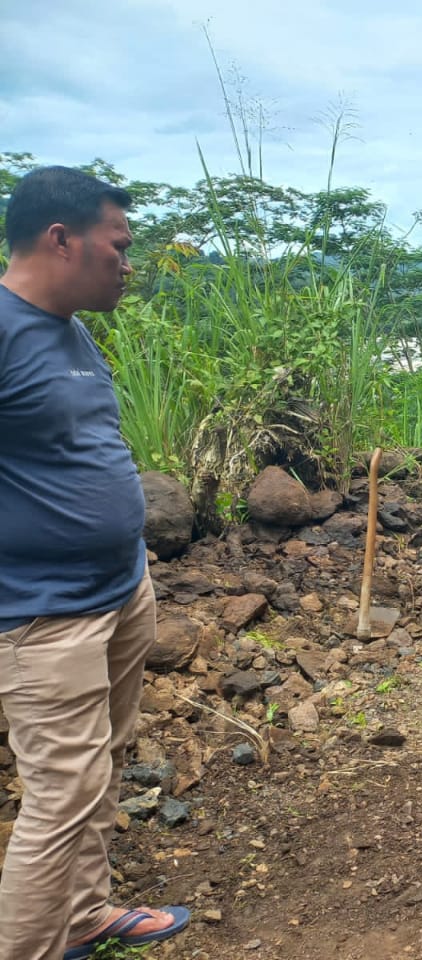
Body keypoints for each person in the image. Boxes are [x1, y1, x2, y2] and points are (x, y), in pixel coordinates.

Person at [0, 167, 191, 960]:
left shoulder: (72, 330)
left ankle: (84, 914)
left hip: (118, 591)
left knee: (102, 764)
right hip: (44, 617)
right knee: (60, 796)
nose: (127, 261)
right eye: (120, 244)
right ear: (61, 239)